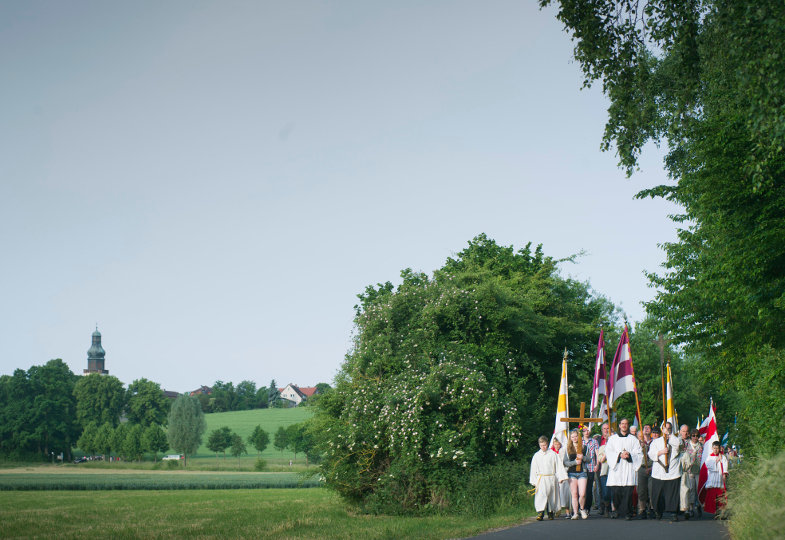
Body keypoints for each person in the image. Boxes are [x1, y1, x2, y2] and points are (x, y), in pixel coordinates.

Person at [605, 418, 643, 520]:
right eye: (622, 424)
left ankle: (627, 513)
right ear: (619, 425)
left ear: (628, 425)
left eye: (626, 424)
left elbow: (639, 453)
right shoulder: (613, 439)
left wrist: (630, 455)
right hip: (617, 469)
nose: (624, 425)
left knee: (628, 492)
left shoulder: (633, 439)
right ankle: (617, 510)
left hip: (628, 468)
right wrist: (619, 455)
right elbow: (608, 452)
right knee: (616, 492)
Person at [649, 422, 682, 521]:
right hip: (659, 471)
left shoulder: (675, 439)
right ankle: (658, 511)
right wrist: (660, 452)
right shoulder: (656, 442)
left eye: (669, 428)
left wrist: (669, 435)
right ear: (662, 429)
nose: (667, 430)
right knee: (658, 494)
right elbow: (651, 454)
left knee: (672, 493)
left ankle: (673, 512)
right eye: (665, 428)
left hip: (672, 471)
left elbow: (678, 445)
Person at [531, 436, 568, 520]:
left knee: (551, 496)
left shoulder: (553, 454)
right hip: (541, 478)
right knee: (541, 495)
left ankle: (550, 512)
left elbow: (558, 466)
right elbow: (533, 469)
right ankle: (540, 513)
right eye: (541, 445)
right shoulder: (537, 455)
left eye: (544, 445)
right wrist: (534, 481)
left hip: (551, 477)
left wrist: (561, 477)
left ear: (547, 444)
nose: (543, 447)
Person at [563, 429, 589, 519]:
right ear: (570, 438)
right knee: (574, 494)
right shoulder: (567, 448)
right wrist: (574, 462)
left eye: (576, 436)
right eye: (572, 437)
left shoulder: (584, 447)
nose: (574, 438)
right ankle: (575, 513)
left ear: (579, 437)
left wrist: (583, 458)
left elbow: (589, 459)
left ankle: (582, 509)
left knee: (582, 493)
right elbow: (565, 462)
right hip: (572, 473)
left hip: (582, 472)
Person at [680, 428, 703, 518]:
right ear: (690, 436)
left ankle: (699, 505)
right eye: (693, 435)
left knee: (698, 489)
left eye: (697, 436)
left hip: (698, 470)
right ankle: (690, 508)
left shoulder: (701, 446)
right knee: (690, 489)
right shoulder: (686, 445)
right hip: (689, 470)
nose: (695, 437)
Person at [703, 441, 729, 517]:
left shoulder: (723, 457)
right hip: (712, 478)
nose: (715, 450)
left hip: (720, 478)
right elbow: (709, 466)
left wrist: (724, 473)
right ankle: (714, 512)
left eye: (717, 448)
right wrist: (717, 460)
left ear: (719, 448)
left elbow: (725, 465)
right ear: (712, 448)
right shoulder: (709, 457)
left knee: (721, 496)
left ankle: (722, 512)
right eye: (714, 448)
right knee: (712, 497)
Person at [581, 426, 599, 516]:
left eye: (588, 430)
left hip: (591, 467)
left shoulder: (594, 441)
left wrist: (597, 464)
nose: (587, 432)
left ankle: (587, 508)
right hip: (581, 468)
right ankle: (581, 507)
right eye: (585, 430)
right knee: (581, 489)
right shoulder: (580, 441)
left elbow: (597, 453)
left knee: (589, 489)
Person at [637, 424, 654, 519]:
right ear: (642, 431)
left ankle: (652, 508)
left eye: (649, 428)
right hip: (642, 467)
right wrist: (640, 447)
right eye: (645, 428)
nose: (647, 429)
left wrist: (651, 468)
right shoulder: (638, 443)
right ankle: (642, 509)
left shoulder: (654, 442)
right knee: (641, 490)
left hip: (652, 467)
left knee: (652, 489)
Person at [597, 422, 612, 516]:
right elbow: (600, 458)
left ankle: (613, 509)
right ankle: (604, 507)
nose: (606, 431)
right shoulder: (599, 441)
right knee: (604, 491)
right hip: (603, 470)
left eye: (608, 429)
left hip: (614, 471)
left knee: (613, 491)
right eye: (604, 429)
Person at [552, 439, 571, 517]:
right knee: (554, 494)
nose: (557, 446)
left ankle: (567, 511)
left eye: (558, 444)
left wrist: (562, 475)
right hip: (554, 475)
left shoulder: (563, 452)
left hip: (563, 474)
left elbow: (566, 463)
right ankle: (555, 510)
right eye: (555, 444)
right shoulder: (551, 453)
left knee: (565, 493)